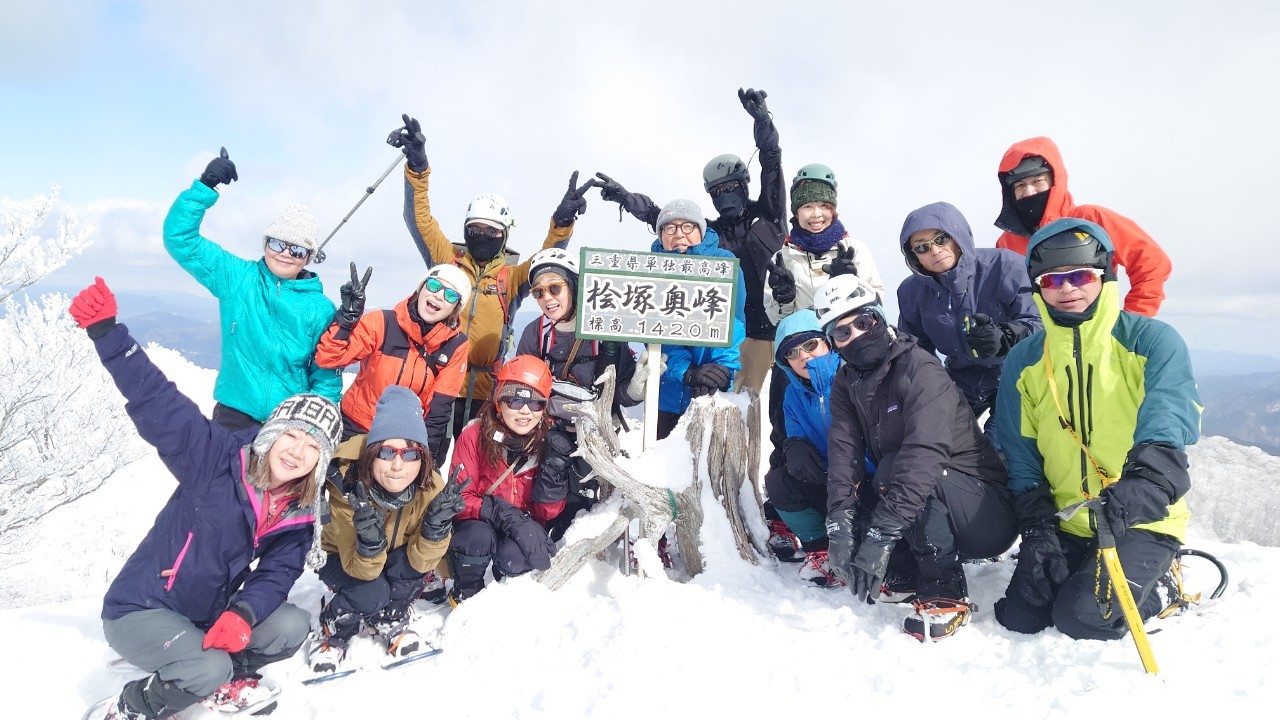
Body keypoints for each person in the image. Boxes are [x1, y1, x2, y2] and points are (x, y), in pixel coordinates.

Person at [69, 277, 342, 719]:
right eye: (292, 436)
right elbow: (159, 402)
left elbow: (278, 573)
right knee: (209, 666)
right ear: (271, 435)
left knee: (290, 625)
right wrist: (109, 335)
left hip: (205, 614)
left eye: (314, 448)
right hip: (142, 609)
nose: (298, 452)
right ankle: (132, 704)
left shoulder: (298, 510)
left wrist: (244, 614)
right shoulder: (216, 458)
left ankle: (222, 677)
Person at [992, 217, 1199, 640]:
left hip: (1138, 516)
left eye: (1081, 275)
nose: (1067, 288)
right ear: (1038, 288)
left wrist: (1146, 486)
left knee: (1083, 618)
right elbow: (1020, 448)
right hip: (1069, 520)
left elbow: (1168, 417)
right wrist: (1037, 525)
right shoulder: (1025, 360)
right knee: (1022, 617)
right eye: (1052, 280)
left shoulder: (1150, 341)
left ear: (1105, 276)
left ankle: (1162, 581)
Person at [594, 88, 789, 466]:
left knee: (762, 416)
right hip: (718, 333)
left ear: (744, 185)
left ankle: (748, 492)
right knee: (723, 412)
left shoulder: (767, 217)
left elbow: (771, 164)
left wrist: (763, 123)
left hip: (765, 333)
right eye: (717, 192)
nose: (725, 196)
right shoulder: (706, 238)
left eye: (731, 187)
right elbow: (665, 222)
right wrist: (626, 199)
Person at [816, 275, 1017, 641]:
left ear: (878, 318)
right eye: (841, 334)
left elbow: (925, 454)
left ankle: (946, 591)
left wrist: (881, 536)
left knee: (901, 470)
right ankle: (911, 573)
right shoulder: (847, 381)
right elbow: (843, 453)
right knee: (877, 484)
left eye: (862, 323)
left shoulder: (919, 368)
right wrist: (840, 527)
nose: (855, 337)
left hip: (985, 513)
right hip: (932, 502)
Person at [393, 113, 598, 440]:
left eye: (491, 231)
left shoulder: (511, 277)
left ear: (504, 235)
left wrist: (562, 221)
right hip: (437, 381)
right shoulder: (448, 261)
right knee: (427, 461)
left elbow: (546, 263)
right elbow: (418, 219)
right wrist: (418, 167)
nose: (482, 236)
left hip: (486, 392)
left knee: (474, 465)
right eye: (474, 229)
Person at [163, 147, 342, 431]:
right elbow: (180, 239)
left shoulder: (320, 307)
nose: (284, 253)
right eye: (276, 243)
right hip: (233, 416)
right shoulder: (239, 278)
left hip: (288, 422)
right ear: (265, 243)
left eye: (296, 249)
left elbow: (325, 373)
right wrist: (205, 186)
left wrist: (313, 427)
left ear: (308, 257)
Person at [307, 386, 469, 674]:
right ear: (371, 454)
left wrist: (435, 530)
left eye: (410, 454)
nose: (398, 466)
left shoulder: (431, 486)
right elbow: (362, 570)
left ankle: (389, 617)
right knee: (371, 591)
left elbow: (423, 563)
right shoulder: (347, 484)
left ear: (422, 458)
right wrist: (369, 543)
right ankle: (334, 626)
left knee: (410, 571)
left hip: (389, 555)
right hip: (342, 558)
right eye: (386, 452)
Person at [515, 248, 640, 539]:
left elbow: (620, 393)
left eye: (555, 288)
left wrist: (636, 387)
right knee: (550, 472)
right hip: (547, 429)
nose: (547, 298)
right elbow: (520, 386)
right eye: (538, 292)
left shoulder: (604, 330)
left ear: (574, 286)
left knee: (588, 494)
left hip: (596, 430)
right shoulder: (536, 333)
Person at [896, 201, 1042, 446]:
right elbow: (914, 352)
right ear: (914, 257)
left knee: (1001, 447)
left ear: (957, 235)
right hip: (961, 380)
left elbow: (1040, 323)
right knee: (933, 444)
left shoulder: (1005, 266)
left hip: (1014, 376)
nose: (934, 251)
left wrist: (1006, 336)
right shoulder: (911, 292)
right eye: (921, 247)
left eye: (941, 239)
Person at [612, 199, 747, 440]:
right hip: (666, 391)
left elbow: (733, 323)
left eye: (687, 227)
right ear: (661, 234)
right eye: (670, 228)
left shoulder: (724, 264)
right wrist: (686, 372)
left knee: (707, 464)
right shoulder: (650, 269)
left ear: (700, 231)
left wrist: (721, 370)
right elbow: (654, 331)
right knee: (662, 465)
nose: (679, 235)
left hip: (710, 387)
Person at [993, 136, 1172, 317]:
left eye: (1038, 181)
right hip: (1040, 340)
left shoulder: (1092, 219)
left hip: (1099, 337)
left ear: (1055, 180)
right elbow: (1003, 295)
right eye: (1020, 185)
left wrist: (1132, 322)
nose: (1029, 192)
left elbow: (1151, 263)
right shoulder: (1007, 242)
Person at [314, 262, 471, 467]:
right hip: (357, 429)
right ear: (420, 289)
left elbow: (439, 406)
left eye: (450, 295)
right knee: (344, 494)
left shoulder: (455, 345)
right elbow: (328, 357)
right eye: (433, 286)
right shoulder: (382, 322)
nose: (439, 296)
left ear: (456, 308)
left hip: (402, 442)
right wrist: (346, 319)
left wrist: (427, 459)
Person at [446, 355, 572, 602]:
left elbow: (547, 514)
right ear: (499, 401)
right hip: (479, 521)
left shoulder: (547, 443)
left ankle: (506, 598)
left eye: (536, 403)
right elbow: (459, 499)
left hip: (524, 524)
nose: (525, 411)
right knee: (476, 539)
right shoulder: (474, 435)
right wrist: (504, 514)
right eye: (515, 400)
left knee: (515, 558)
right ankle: (466, 592)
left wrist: (552, 482)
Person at [761, 309, 846, 585]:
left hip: (864, 482)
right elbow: (795, 434)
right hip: (828, 482)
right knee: (779, 482)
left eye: (810, 345)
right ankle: (820, 550)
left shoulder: (852, 377)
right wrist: (795, 448)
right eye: (792, 353)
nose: (804, 356)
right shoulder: (792, 395)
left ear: (827, 342)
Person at [763, 163, 885, 326]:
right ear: (796, 212)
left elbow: (877, 306)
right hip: (807, 347)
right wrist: (784, 300)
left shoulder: (854, 249)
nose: (816, 214)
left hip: (848, 343)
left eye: (824, 206)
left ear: (833, 210)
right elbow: (776, 320)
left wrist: (850, 285)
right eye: (807, 206)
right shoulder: (782, 259)